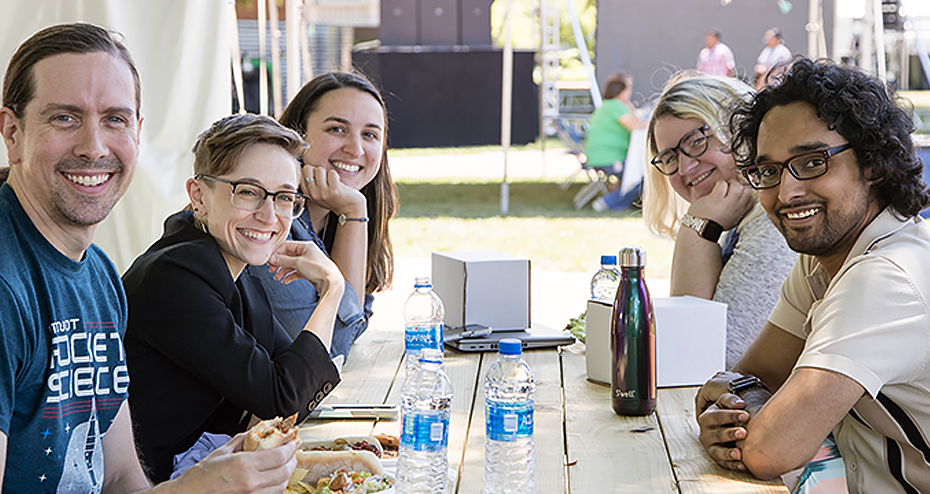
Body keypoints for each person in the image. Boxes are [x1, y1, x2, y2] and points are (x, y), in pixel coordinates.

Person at [0, 22, 299, 493]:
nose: (93, 147)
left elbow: (120, 480)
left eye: (115, 119)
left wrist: (206, 480)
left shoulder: (98, 275)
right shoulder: (6, 286)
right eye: (64, 118)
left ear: (138, 134)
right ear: (12, 132)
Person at [696, 58, 930, 493]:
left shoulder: (886, 277)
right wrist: (738, 403)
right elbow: (750, 377)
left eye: (812, 162)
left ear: (873, 163)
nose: (786, 192)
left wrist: (740, 416)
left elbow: (770, 450)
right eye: (768, 171)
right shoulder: (824, 258)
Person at [122, 114, 343, 483]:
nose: (269, 215)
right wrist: (331, 290)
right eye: (248, 191)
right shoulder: (175, 277)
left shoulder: (232, 265)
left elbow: (291, 383)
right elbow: (282, 397)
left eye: (285, 197)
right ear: (198, 197)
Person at [642, 73, 796, 369]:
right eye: (670, 157)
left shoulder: (773, 222)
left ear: (738, 129)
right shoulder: (740, 218)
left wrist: (696, 227)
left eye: (697, 142)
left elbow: (702, 360)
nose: (685, 166)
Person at [249, 71, 397, 361]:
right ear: (298, 133)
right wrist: (353, 214)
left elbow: (353, 325)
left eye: (369, 134)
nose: (355, 149)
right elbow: (334, 344)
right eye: (337, 129)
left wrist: (350, 214)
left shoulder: (340, 215)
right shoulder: (267, 217)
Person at [583, 71, 646, 212]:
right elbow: (638, 125)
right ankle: (607, 202)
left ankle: (616, 196)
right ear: (624, 91)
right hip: (610, 160)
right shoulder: (616, 106)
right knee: (643, 177)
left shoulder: (606, 105)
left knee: (639, 175)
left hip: (597, 157)